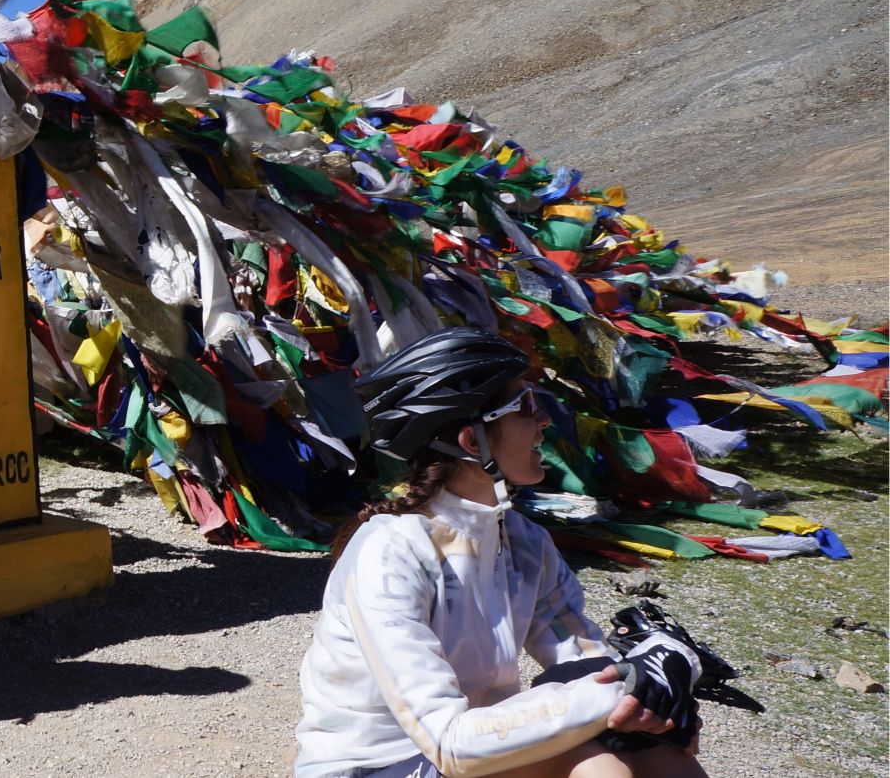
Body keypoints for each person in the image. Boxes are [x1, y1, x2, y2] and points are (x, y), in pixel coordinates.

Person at [295, 328, 707, 778]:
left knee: (664, 758)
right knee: (598, 765)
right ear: (473, 443)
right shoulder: (389, 553)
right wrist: (624, 687)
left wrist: (650, 703)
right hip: (379, 764)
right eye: (527, 407)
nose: (545, 421)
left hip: (471, 747)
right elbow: (449, 744)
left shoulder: (525, 541)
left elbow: (582, 663)